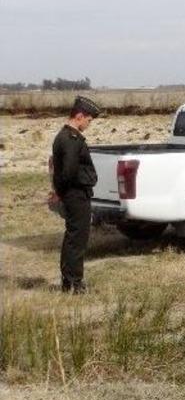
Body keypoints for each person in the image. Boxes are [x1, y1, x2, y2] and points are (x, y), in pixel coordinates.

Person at [51, 95, 100, 294]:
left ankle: (68, 281)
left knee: (72, 237)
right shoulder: (71, 139)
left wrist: (60, 192)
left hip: (72, 193)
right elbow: (68, 172)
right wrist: (63, 192)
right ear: (79, 116)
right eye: (88, 120)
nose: (89, 124)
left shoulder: (64, 136)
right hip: (76, 194)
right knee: (77, 239)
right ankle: (75, 283)